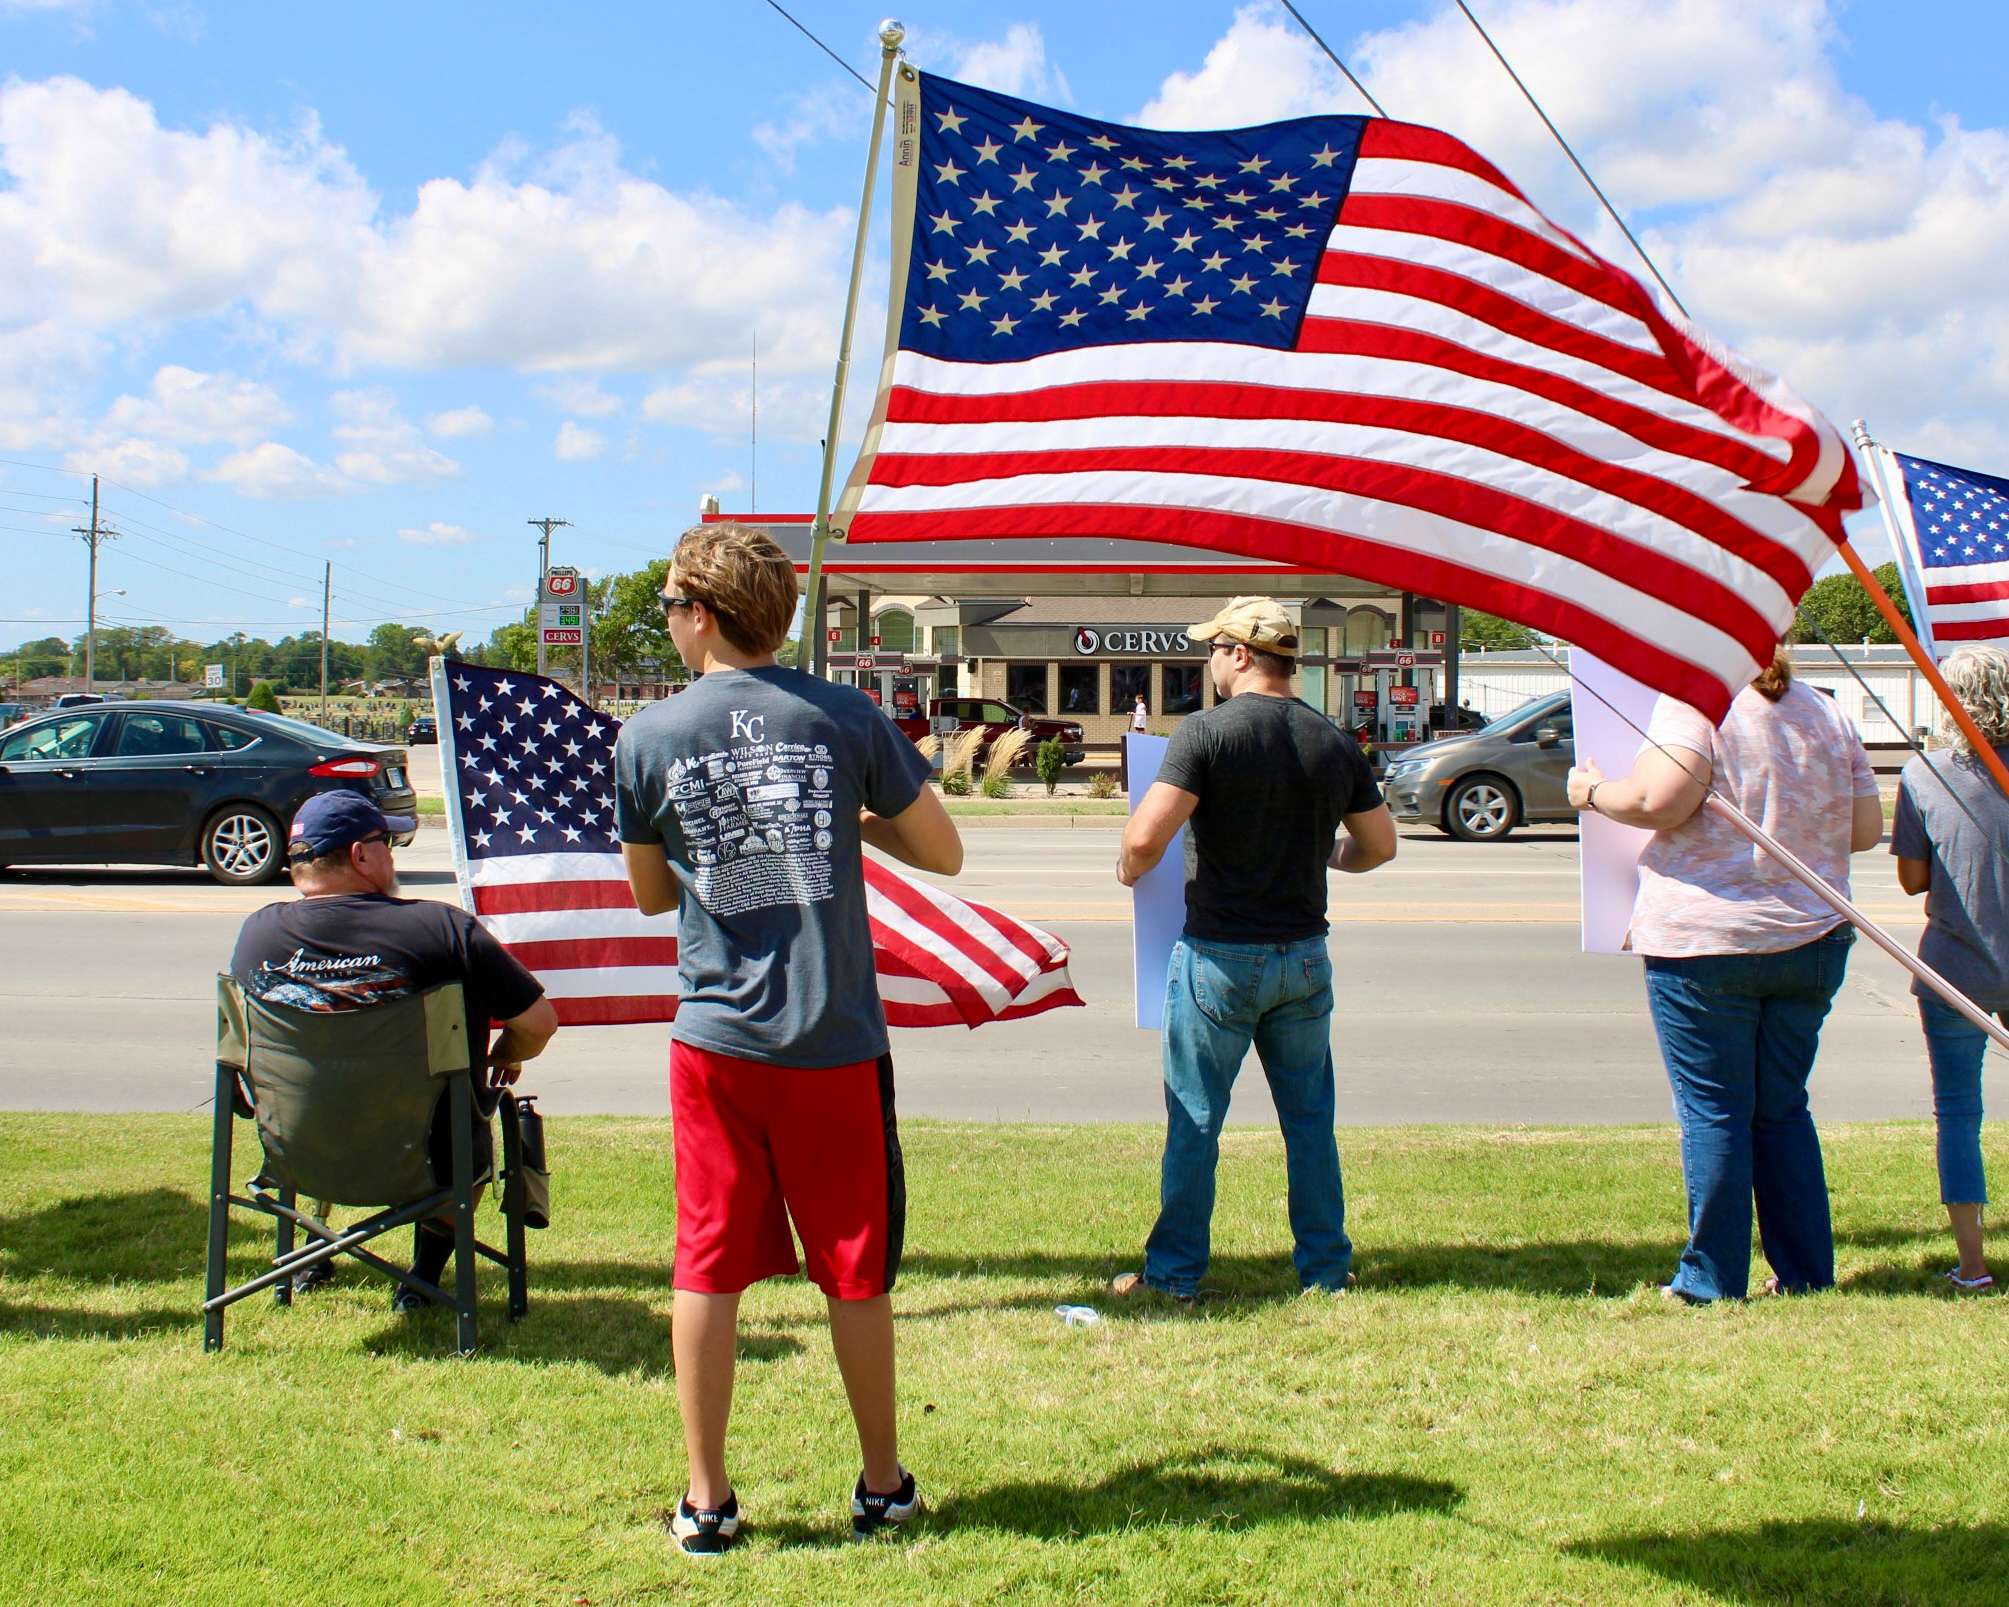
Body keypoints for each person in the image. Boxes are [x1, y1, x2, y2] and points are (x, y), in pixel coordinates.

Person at [615, 521, 964, 1556]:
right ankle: (880, 1481)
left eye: (675, 608)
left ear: (705, 613)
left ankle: (708, 1498)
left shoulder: (649, 735)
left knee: (707, 1264)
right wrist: (824, 814)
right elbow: (941, 848)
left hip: (715, 1037)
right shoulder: (844, 716)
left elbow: (645, 893)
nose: (672, 627)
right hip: (832, 1034)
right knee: (854, 1266)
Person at [1567, 646, 1883, 1302]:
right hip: (1812, 934)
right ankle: (1804, 1272)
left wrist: (1590, 792)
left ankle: (1709, 1279)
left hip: (1708, 938)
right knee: (1782, 1109)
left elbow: (1659, 799)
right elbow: (1862, 828)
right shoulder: (1826, 711)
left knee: (1714, 1110)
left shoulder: (1695, 702)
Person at [1113, 596, 1395, 1302]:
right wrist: (1327, 852)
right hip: (1303, 955)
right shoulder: (1332, 738)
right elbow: (1380, 844)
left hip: (1219, 956)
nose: (1208, 661)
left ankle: (1174, 1272)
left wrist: (1127, 868)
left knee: (1195, 1117)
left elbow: (1146, 839)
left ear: (1240, 653)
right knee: (1308, 1121)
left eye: (1213, 648)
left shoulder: (1206, 733)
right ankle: (1325, 1269)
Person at [230, 791, 557, 1307]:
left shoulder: (256, 934)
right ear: (361, 855)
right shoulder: (441, 929)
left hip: (298, 1148)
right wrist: (505, 1053)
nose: (393, 855)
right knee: (458, 1127)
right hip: (428, 1159)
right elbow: (539, 1022)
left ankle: (313, 1248)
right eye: (387, 843)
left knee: (339, 1092)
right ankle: (422, 1280)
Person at [1891, 644, 2009, 1292]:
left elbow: (1911, 878)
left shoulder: (1922, 775)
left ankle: (1972, 1263)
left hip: (1952, 968)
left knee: (1958, 1113)